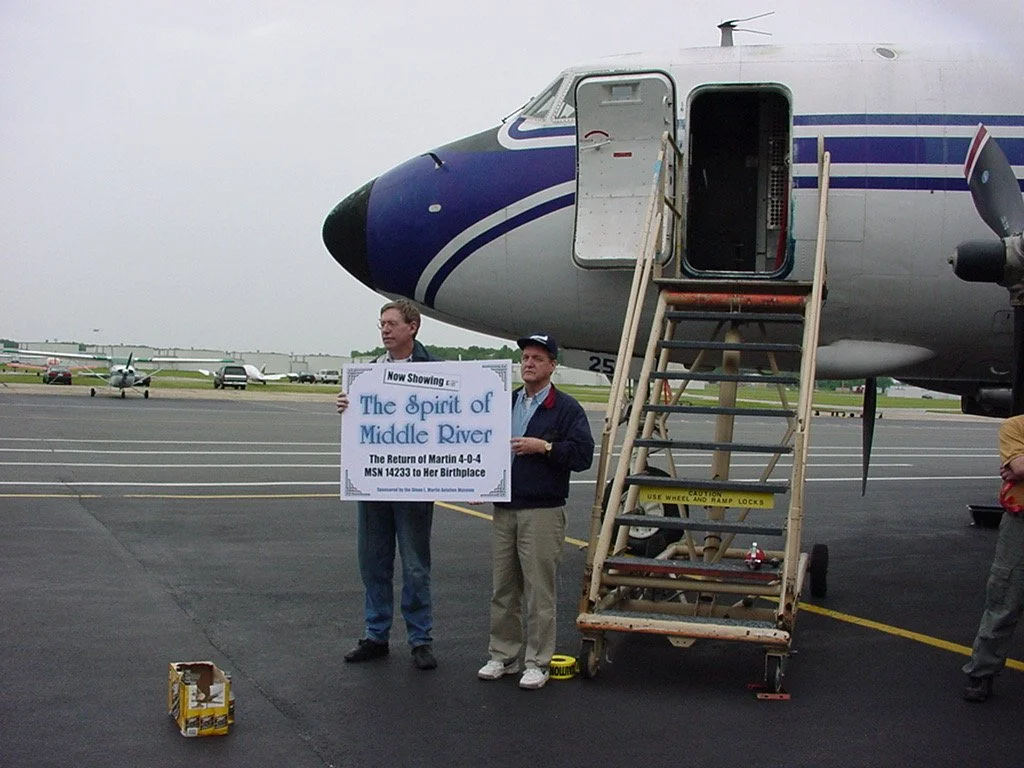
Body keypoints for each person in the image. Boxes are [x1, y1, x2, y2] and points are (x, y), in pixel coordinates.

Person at [477, 333, 594, 690]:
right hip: (505, 509)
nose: (528, 363)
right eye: (525, 357)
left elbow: (583, 456)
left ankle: (538, 661)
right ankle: (503, 655)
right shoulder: (505, 401)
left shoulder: (566, 408)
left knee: (540, 591)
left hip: (542, 510)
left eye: (537, 358)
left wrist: (545, 446)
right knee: (504, 588)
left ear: (552, 366)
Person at [336, 299, 438, 671]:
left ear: (413, 327)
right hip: (374, 485)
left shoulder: (435, 372)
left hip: (414, 488)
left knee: (414, 566)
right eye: (381, 323)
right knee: (373, 562)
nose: (384, 329)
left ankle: (420, 639)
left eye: (392, 323)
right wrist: (348, 405)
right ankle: (376, 634)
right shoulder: (367, 373)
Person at [962, 413, 1024, 701]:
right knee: (1004, 596)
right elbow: (1019, 466)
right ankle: (982, 672)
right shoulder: (1015, 426)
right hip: (1020, 522)